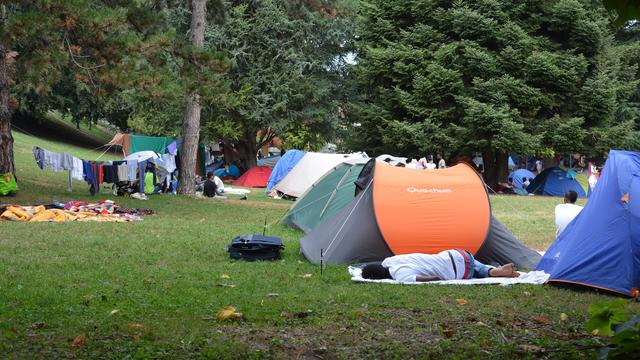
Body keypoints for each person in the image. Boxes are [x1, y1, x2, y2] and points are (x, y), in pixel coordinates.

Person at [361, 249, 519, 282]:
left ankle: (493, 271)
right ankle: (494, 270)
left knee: (473, 271)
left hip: (459, 270)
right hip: (456, 253)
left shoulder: (400, 274)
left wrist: (439, 278)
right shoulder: (390, 260)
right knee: (477, 267)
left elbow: (434, 277)